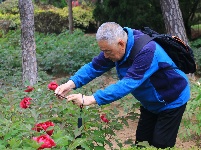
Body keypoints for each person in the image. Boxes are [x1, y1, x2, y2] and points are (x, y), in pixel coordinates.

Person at [54, 22, 190, 149]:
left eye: (107, 51)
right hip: (151, 103)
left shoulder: (147, 51)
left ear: (121, 44)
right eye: (103, 51)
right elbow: (94, 67)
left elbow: (127, 84)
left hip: (172, 99)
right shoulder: (115, 48)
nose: (105, 56)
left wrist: (90, 99)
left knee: (161, 144)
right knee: (142, 143)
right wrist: (70, 84)